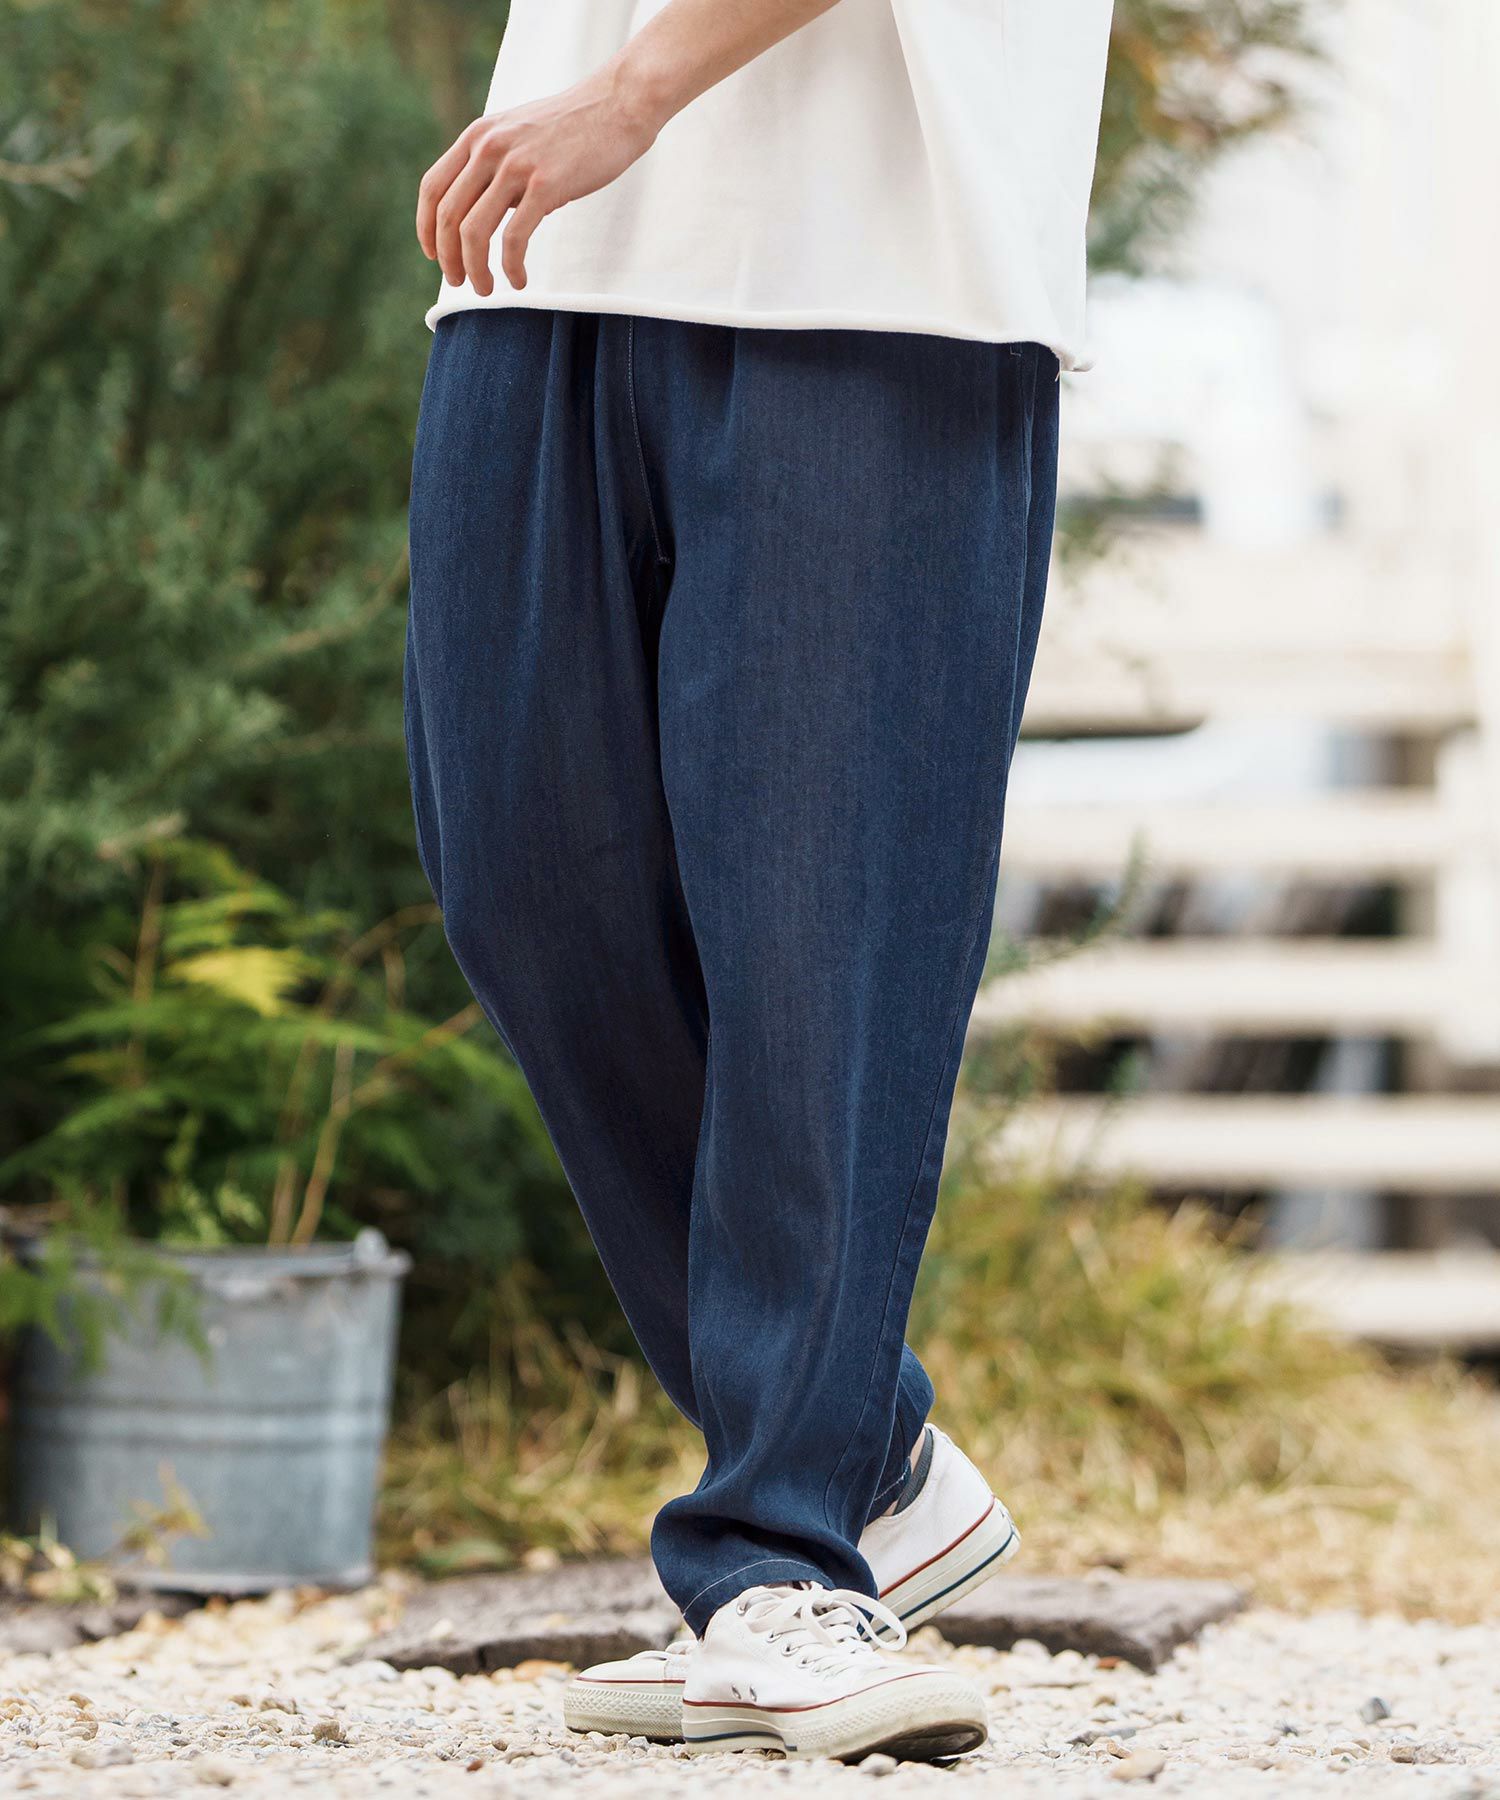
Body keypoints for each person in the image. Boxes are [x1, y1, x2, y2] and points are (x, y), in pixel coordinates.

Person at [406, 0, 1112, 1764]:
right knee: (523, 880)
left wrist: (639, 86)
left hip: (892, 258)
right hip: (549, 247)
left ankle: (785, 1550)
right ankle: (869, 1456)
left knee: (820, 936)